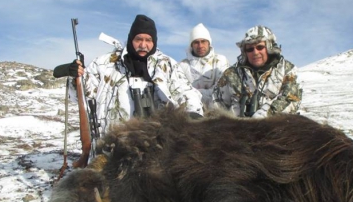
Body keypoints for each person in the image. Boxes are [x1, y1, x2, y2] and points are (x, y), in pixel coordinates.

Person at [55, 14, 204, 136]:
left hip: (157, 143)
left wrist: (193, 113)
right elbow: (80, 97)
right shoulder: (104, 64)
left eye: (148, 40)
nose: (143, 45)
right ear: (131, 39)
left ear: (154, 41)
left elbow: (185, 92)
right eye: (139, 39)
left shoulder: (167, 65)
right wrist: (77, 78)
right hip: (112, 142)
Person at [213, 25, 302, 118]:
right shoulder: (231, 74)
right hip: (238, 128)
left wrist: (267, 114)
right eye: (250, 49)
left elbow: (292, 98)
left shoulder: (287, 70)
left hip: (277, 127)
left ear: (269, 47)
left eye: (260, 47)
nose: (255, 53)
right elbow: (218, 103)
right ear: (245, 52)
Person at [178, 23, 229, 107]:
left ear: (209, 43)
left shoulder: (220, 61)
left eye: (203, 41)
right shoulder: (182, 65)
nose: (200, 46)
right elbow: (180, 90)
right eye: (196, 42)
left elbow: (221, 89)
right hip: (190, 110)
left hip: (217, 109)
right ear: (191, 45)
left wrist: (194, 93)